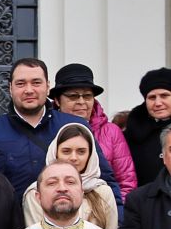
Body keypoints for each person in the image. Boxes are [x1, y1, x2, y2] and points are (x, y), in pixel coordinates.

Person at [0, 58, 118, 198]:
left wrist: (118, 219)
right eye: (21, 83)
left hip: (68, 217)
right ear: (10, 88)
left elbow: (104, 179)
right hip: (10, 218)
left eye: (36, 83)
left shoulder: (73, 126)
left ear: (47, 86)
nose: (29, 90)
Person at [52, 63, 137, 198]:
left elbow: (126, 182)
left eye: (87, 96)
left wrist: (114, 213)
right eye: (73, 96)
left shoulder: (111, 132)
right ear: (57, 100)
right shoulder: (46, 129)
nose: (81, 101)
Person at [20, 122, 117, 229]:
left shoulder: (102, 191)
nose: (73, 157)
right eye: (66, 151)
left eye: (81, 152)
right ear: (55, 153)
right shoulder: (37, 192)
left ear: (90, 155)